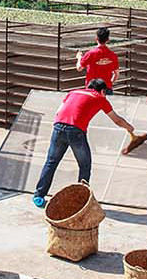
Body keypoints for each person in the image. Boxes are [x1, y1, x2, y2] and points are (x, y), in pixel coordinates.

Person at [33, 78, 136, 208]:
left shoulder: (73, 92)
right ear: (102, 90)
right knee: (84, 165)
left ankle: (39, 196)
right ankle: (80, 200)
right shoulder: (100, 98)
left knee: (51, 162)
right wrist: (129, 128)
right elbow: (116, 120)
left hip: (58, 127)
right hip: (76, 131)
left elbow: (59, 111)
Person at [76, 27, 119, 94]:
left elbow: (79, 68)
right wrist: (110, 83)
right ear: (108, 40)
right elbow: (116, 74)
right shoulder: (113, 55)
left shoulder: (90, 54)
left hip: (92, 89)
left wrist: (79, 57)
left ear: (96, 39)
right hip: (106, 88)